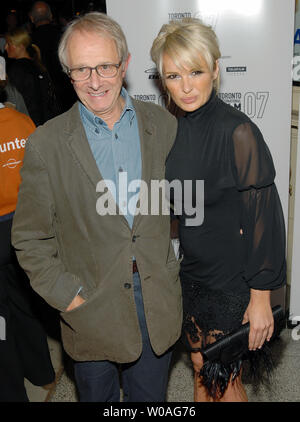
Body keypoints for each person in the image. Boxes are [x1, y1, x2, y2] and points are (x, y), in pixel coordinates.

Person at [12, 12, 182, 402]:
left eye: (105, 66)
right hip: (88, 309)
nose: (95, 81)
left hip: (154, 302)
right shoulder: (46, 144)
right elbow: (29, 238)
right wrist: (68, 295)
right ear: (66, 73)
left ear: (124, 64)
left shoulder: (163, 125)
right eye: (81, 70)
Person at [150, 18, 286, 402]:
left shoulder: (238, 132)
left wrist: (261, 297)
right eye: (174, 75)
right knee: (198, 368)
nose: (186, 86)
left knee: (224, 377)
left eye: (195, 71)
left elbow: (265, 219)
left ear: (215, 70)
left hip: (232, 280)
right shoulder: (174, 130)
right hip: (192, 274)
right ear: (163, 81)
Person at [0, 58, 55, 401]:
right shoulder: (23, 122)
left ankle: (10, 393)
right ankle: (42, 371)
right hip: (24, 229)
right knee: (26, 304)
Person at [5, 27, 60, 126]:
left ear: (20, 46)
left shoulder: (17, 69)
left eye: (9, 44)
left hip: (30, 124)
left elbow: (14, 101)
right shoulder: (38, 65)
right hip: (48, 122)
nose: (5, 47)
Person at [29, 1, 77, 111]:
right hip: (68, 93)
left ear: (32, 18)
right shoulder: (64, 37)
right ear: (51, 16)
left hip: (43, 99)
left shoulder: (29, 43)